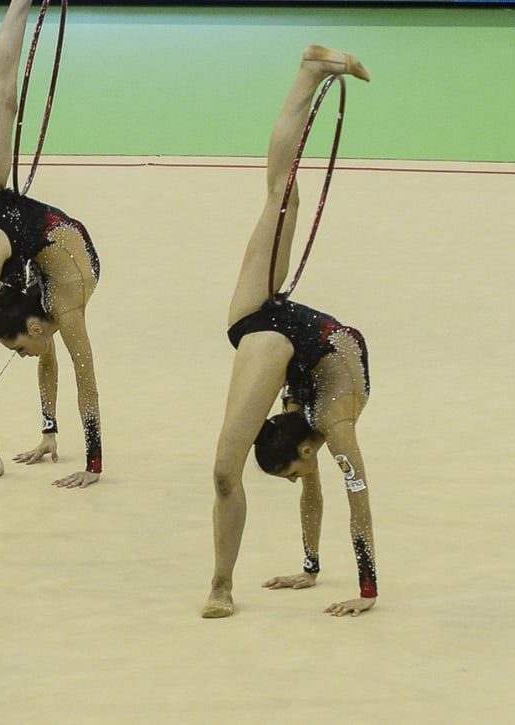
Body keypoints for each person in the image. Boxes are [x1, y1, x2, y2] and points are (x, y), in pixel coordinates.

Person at [203, 46, 378, 619]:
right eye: (300, 470)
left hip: (275, 326)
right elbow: (353, 498)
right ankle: (309, 70)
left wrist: (337, 580)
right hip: (270, 325)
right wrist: (330, 576)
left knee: (283, 191)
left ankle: (222, 587)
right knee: (281, 191)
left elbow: (344, 496)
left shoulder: (320, 419)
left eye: (298, 470)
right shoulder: (332, 422)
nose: (305, 477)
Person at [0, 0, 103, 489]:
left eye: (18, 348)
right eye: (21, 349)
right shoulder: (61, 306)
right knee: (1, 99)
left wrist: (75, 450)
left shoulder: (52, 303)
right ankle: (19, 1)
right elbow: (79, 373)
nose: (25, 355)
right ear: (37, 323)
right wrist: (65, 444)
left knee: (0, 98)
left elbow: (67, 365)